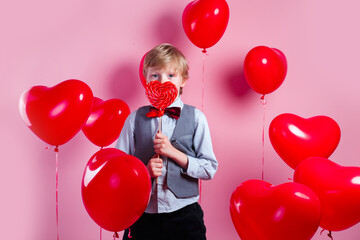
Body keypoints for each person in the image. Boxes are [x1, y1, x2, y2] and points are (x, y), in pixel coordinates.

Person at [116, 43, 218, 240]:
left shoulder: (196, 118)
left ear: (183, 80)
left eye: (171, 75)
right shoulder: (134, 119)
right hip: (143, 215)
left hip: (184, 214)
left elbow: (210, 168)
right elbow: (119, 168)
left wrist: (174, 153)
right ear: (146, 80)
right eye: (155, 75)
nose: (162, 81)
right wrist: (143, 172)